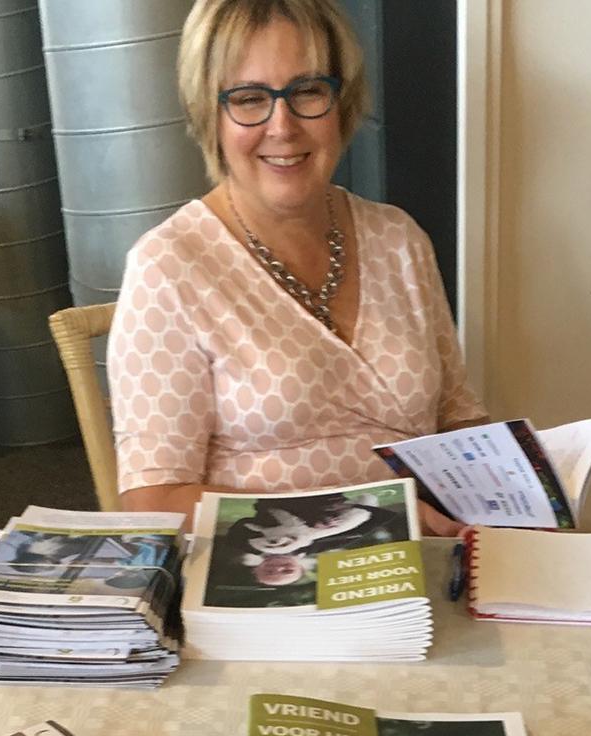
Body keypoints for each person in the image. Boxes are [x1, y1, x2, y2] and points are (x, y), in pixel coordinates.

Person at [107, 0, 486, 534]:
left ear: (341, 103)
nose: (282, 126)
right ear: (210, 115)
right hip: (269, 568)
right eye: (249, 98)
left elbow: (458, 416)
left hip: (424, 561)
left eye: (307, 91)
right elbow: (154, 500)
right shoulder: (168, 268)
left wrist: (515, 488)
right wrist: (376, 520)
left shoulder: (398, 238)